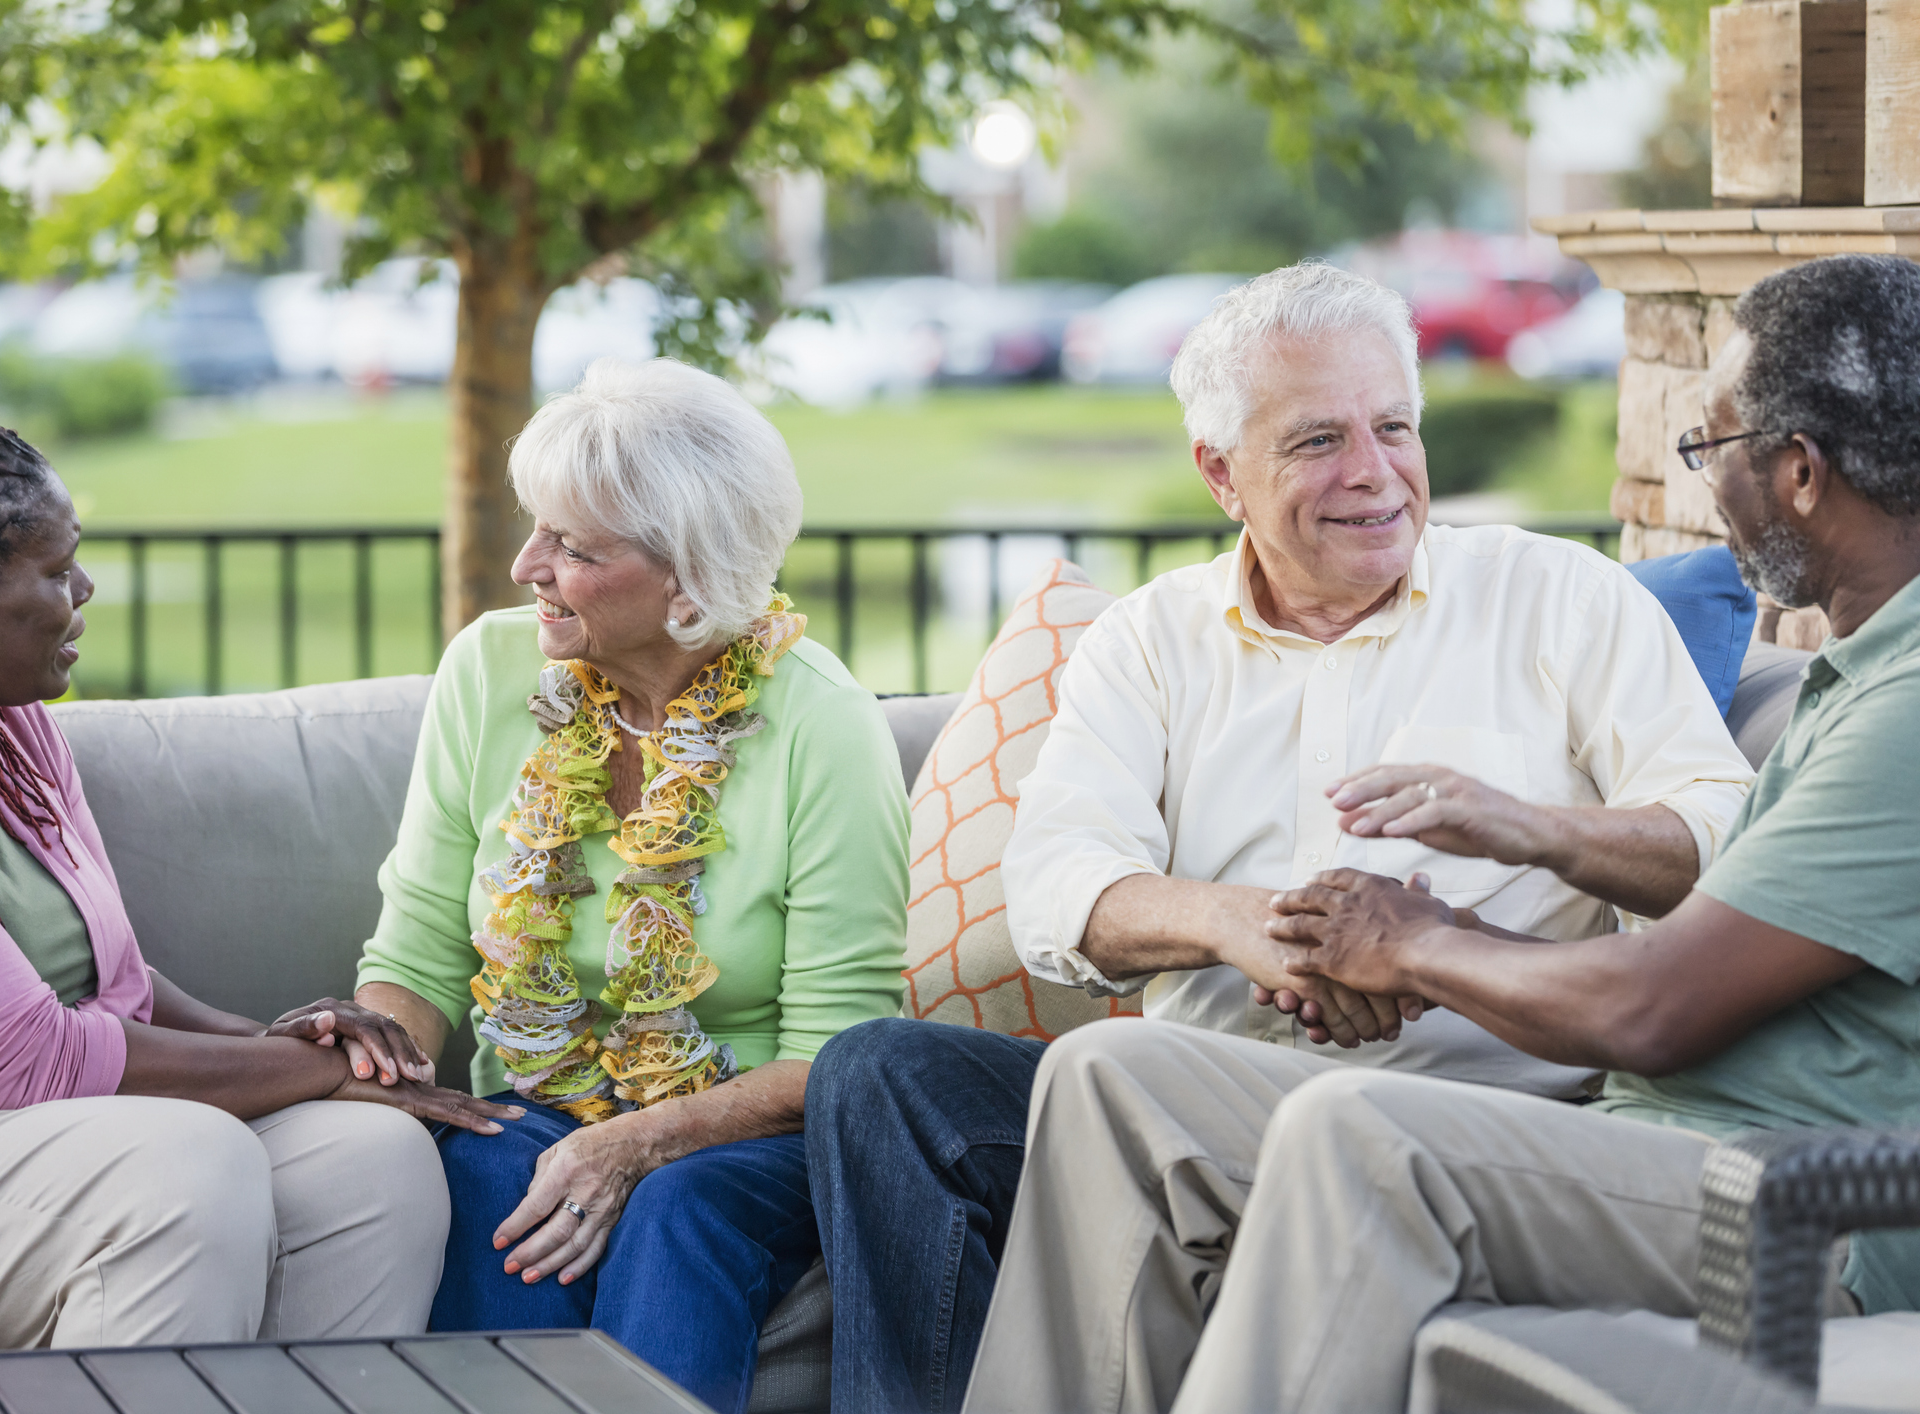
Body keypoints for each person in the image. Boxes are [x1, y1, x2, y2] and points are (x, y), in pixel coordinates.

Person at [964, 250, 1920, 1414]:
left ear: (1803, 472)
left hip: (1789, 1198)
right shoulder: (1862, 679)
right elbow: (1055, 884)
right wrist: (1268, 928)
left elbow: (1652, 1000)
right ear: (1222, 473)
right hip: (1678, 1139)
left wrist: (1432, 923)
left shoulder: (1886, 699)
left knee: (1353, 1135)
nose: (1375, 474)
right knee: (1102, 1066)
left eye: (1712, 450)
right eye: (1320, 440)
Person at [0, 410, 517, 1362]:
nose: (84, 589)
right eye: (56, 572)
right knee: (188, 1164)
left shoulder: (9, 730)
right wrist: (316, 1071)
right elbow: (16, 1061)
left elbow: (117, 983)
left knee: (374, 1160)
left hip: (60, 1134)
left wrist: (278, 1038)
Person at [351, 357, 910, 1414]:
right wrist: (380, 1058)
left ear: (690, 580)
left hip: (752, 1136)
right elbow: (418, 942)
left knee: (675, 1207)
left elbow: (835, 1053)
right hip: (536, 1097)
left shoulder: (822, 722)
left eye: (572, 547)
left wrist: (634, 1140)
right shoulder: (489, 672)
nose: (526, 565)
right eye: (535, 528)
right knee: (488, 1165)